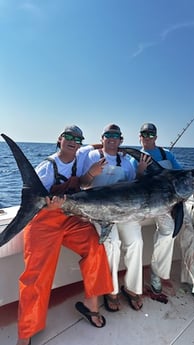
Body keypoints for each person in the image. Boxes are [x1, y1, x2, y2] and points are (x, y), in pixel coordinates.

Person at [16, 125, 113, 345]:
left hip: (70, 218)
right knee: (36, 276)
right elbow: (31, 202)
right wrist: (49, 206)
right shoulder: (47, 166)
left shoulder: (80, 157)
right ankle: (25, 334)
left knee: (95, 247)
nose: (73, 140)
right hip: (42, 221)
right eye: (68, 137)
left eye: (77, 139)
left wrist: (93, 169)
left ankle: (91, 305)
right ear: (59, 140)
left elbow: (85, 179)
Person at [80, 124, 145, 312]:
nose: (111, 138)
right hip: (98, 210)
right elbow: (83, 184)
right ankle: (111, 290)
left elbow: (134, 186)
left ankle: (132, 288)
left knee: (137, 242)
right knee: (113, 244)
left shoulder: (125, 161)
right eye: (108, 135)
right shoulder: (91, 156)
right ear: (102, 138)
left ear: (121, 140)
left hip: (123, 211)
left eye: (115, 135)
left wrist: (140, 173)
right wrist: (92, 173)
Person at [135, 122, 194, 301]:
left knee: (188, 230)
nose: (147, 137)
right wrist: (141, 172)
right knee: (167, 233)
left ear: (156, 137)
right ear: (139, 136)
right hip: (153, 204)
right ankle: (156, 274)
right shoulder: (133, 157)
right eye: (144, 134)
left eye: (151, 134)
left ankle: (193, 280)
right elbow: (132, 182)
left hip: (176, 202)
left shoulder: (167, 154)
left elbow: (183, 176)